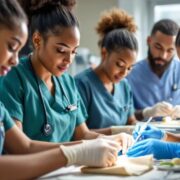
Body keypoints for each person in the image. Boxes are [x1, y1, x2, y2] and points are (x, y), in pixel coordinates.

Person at [0, 0, 124, 178]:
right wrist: (76, 152)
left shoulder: (67, 83)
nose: (69, 59)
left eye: (74, 52)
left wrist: (113, 137)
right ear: (37, 40)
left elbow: (83, 134)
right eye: (61, 50)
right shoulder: (14, 78)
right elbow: (22, 149)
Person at [75, 8, 138, 135]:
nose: (124, 73)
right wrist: (115, 132)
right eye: (120, 64)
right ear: (104, 53)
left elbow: (131, 121)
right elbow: (79, 134)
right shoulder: (81, 85)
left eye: (130, 67)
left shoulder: (124, 86)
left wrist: (140, 129)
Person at [127, 19, 180, 121]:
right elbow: (124, 115)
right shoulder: (129, 73)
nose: (163, 56)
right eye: (158, 47)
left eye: (170, 50)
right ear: (149, 41)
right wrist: (146, 112)